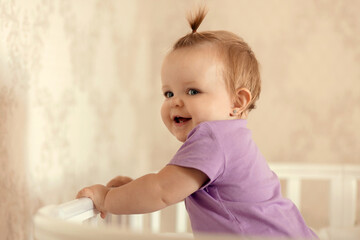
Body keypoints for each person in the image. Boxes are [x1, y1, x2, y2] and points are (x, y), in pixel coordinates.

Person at [77, 7, 318, 239]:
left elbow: (161, 191)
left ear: (238, 101)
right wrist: (129, 191)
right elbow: (170, 186)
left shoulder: (213, 137)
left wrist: (107, 198)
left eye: (192, 91)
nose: (175, 102)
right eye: (169, 93)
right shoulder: (231, 138)